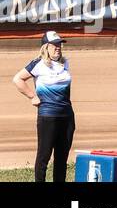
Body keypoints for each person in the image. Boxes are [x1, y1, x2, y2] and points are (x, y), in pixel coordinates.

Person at [12, 31, 74, 183]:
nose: (58, 47)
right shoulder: (38, 64)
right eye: (54, 45)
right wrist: (32, 96)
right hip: (48, 117)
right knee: (43, 157)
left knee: (62, 157)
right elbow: (17, 79)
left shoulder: (64, 63)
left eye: (60, 44)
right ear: (46, 47)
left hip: (67, 117)